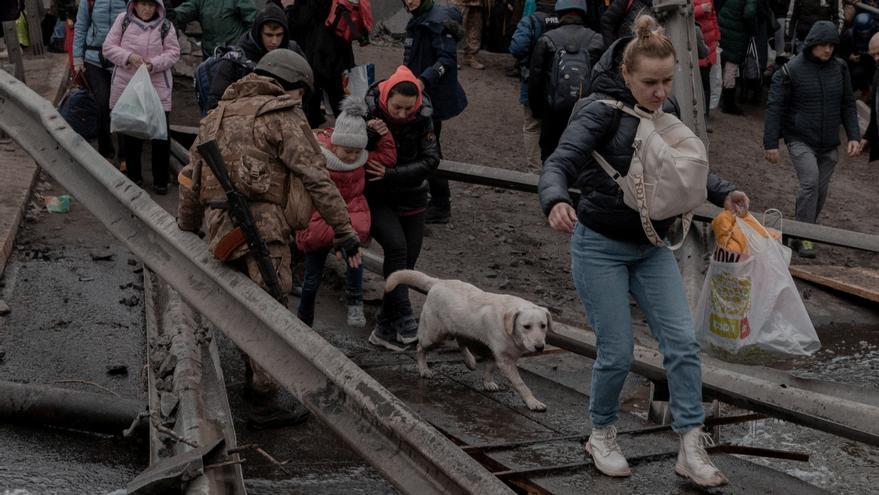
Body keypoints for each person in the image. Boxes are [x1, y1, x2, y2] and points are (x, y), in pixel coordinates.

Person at [539, 14, 750, 487]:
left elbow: (676, 167)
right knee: (616, 351)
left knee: (683, 346)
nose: (660, 92)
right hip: (600, 247)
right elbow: (559, 162)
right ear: (626, 75)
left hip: (653, 246)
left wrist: (723, 190)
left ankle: (691, 444)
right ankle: (601, 433)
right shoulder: (598, 111)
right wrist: (554, 200)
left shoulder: (664, 107)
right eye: (650, 83)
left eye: (667, 81)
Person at [177, 48, 362, 428]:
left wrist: (187, 226)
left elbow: (190, 180)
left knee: (244, 304)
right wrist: (344, 231)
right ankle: (263, 399)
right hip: (264, 227)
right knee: (270, 309)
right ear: (291, 87)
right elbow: (315, 177)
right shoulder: (282, 115)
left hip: (218, 227)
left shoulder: (215, 117)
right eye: (302, 93)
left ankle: (253, 379)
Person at [296, 96, 397, 328]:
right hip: (321, 216)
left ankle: (355, 301)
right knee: (313, 274)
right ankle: (304, 318)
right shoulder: (320, 158)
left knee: (354, 259)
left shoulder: (362, 158)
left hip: (351, 212)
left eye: (356, 151)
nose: (351, 156)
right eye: (347, 150)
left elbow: (388, 158)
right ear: (334, 143)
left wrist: (383, 133)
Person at [764, 20, 860, 258]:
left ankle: (799, 231)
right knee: (810, 183)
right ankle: (806, 236)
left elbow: (848, 103)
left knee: (820, 190)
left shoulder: (840, 68)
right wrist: (771, 143)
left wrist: (854, 136)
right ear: (812, 44)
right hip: (800, 138)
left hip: (829, 141)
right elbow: (775, 106)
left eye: (831, 45)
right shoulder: (791, 70)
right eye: (823, 45)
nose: (828, 50)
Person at [363, 65, 440, 351]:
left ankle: (383, 327)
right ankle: (407, 317)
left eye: (409, 108)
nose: (402, 114)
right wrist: (371, 134)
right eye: (397, 107)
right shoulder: (368, 111)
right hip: (378, 197)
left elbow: (432, 159)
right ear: (385, 97)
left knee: (406, 265)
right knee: (397, 249)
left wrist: (392, 174)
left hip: (414, 197)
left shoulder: (424, 118)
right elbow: (350, 145)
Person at [102, 0, 180, 194]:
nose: (147, 9)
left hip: (157, 87)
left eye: (151, 5)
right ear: (134, 5)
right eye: (142, 4)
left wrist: (153, 64)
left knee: (160, 135)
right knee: (130, 133)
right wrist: (129, 56)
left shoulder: (165, 26)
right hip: (127, 87)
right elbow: (108, 47)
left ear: (158, 7)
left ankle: (160, 181)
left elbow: (173, 53)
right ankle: (134, 177)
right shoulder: (123, 21)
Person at [401, 0, 468, 224]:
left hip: (431, 97)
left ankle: (440, 203)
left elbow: (446, 59)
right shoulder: (419, 18)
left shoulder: (437, 21)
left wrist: (423, 80)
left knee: (429, 147)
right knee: (425, 145)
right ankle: (430, 195)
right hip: (418, 93)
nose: (410, 1)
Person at [528, 0, 604, 161]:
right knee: (580, 158)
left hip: (553, 113)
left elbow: (536, 79)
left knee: (550, 158)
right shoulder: (596, 39)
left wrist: (537, 111)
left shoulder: (547, 39)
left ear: (559, 12)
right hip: (585, 113)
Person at [203, 2, 303, 114]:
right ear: (259, 33)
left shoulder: (292, 52)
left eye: (279, 35)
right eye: (269, 35)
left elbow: (308, 86)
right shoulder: (237, 58)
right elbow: (215, 100)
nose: (274, 41)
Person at [279, 0, 356, 127]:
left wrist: (288, 8)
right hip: (338, 49)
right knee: (339, 95)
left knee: (314, 92)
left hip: (319, 52)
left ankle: (319, 130)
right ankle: (352, 129)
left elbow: (300, 19)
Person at [73, 0, 128, 160]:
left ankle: (125, 154)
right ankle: (105, 148)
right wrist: (77, 58)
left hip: (122, 58)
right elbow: (81, 26)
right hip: (94, 57)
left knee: (123, 105)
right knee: (102, 104)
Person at [509, 6, 559, 169]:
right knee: (556, 127)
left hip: (533, 83)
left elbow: (517, 47)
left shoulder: (531, 20)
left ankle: (535, 170)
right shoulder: (564, 20)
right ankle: (554, 170)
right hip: (560, 87)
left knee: (532, 126)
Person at [168, 0, 256, 58]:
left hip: (234, 55)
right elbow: (181, 13)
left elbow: (253, 22)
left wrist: (244, 47)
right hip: (210, 55)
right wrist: (165, 13)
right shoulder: (201, 2)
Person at [717, 0, 757, 114]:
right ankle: (728, 104)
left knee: (721, 61)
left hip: (723, 26)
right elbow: (749, 13)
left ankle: (717, 98)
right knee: (731, 66)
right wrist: (753, 29)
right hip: (737, 32)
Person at [840, 12, 877, 94]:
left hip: (874, 62)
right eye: (862, 34)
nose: (865, 35)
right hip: (859, 63)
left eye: (867, 33)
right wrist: (849, 56)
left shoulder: (876, 33)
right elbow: (841, 52)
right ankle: (865, 91)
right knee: (856, 74)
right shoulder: (849, 35)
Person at [694, 0, 720, 118]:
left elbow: (713, 17)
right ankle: (694, 111)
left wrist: (717, 37)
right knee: (695, 82)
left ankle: (705, 113)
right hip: (696, 44)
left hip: (709, 45)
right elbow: (681, 14)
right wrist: (700, 9)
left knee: (706, 82)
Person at [859, 32, 879, 161]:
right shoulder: (877, 73)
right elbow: (876, 112)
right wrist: (868, 136)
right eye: (873, 55)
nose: (876, 58)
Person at [453, 0, 486, 69]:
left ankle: (471, 57)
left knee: (475, 28)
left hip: (477, 2)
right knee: (455, 27)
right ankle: (450, 58)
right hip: (460, 2)